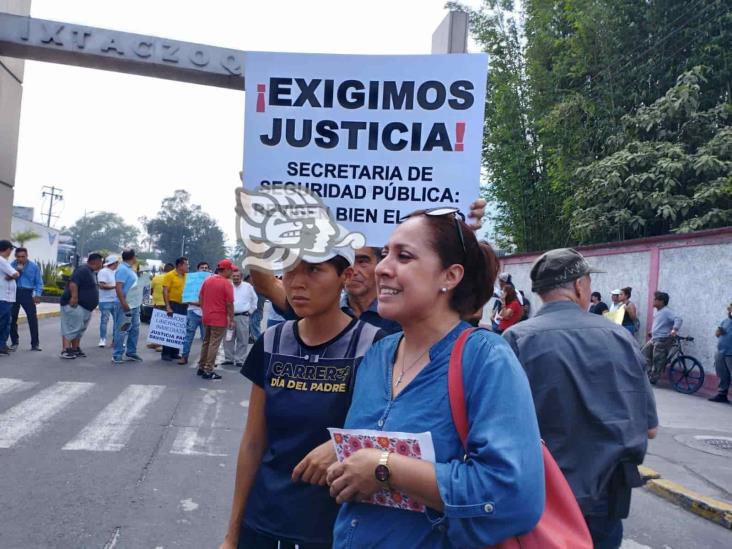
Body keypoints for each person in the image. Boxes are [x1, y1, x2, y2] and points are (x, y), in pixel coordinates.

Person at [327, 210, 543, 548]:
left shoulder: (485, 358)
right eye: (385, 254)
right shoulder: (378, 354)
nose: (383, 268)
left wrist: (384, 469)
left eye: (404, 256)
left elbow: (513, 496)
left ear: (450, 276)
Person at [218, 247, 385, 549]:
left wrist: (342, 445)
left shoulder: (374, 345)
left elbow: (389, 432)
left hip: (333, 528)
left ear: (344, 277)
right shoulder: (272, 341)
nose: (296, 282)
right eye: (290, 271)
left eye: (313, 270)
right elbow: (254, 441)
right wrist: (232, 534)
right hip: (264, 522)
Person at [502, 248, 658, 549]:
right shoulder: (620, 338)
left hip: (540, 498)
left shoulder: (516, 340)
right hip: (605, 501)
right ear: (579, 286)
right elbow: (649, 427)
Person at [59, 253, 103, 359]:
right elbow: (73, 283)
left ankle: (75, 348)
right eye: (101, 262)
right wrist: (74, 297)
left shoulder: (91, 272)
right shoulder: (82, 270)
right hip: (76, 305)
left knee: (79, 329)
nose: (102, 264)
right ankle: (65, 349)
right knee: (71, 327)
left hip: (85, 307)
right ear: (97, 262)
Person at [197, 259, 235, 380]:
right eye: (231, 270)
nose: (232, 272)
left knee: (206, 342)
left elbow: (200, 297)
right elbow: (229, 303)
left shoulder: (208, 280)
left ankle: (201, 367)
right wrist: (231, 319)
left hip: (207, 315)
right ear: (227, 270)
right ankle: (209, 369)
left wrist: (204, 310)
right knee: (214, 344)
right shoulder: (226, 283)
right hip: (219, 317)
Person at [642, 291, 682, 384]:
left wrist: (674, 329)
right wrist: (652, 332)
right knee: (644, 353)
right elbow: (660, 324)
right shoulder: (658, 312)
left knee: (658, 360)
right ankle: (648, 374)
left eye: (655, 299)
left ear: (661, 301)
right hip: (655, 338)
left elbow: (678, 319)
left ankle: (654, 378)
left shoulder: (667, 311)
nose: (653, 301)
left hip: (662, 339)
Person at [9, 246, 43, 351]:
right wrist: (17, 271)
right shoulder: (11, 265)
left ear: (27, 256)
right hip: (14, 293)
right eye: (18, 257)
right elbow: (8, 279)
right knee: (12, 319)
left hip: (28, 293)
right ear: (15, 256)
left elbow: (39, 282)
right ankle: (14, 342)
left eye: (23, 256)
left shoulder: (34, 267)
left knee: (32, 319)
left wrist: (37, 294)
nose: (21, 259)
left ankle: (35, 344)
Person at [112, 249, 143, 364]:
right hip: (125, 304)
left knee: (134, 328)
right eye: (136, 256)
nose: (136, 259)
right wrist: (124, 303)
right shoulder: (122, 269)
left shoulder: (129, 269)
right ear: (132, 257)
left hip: (134, 304)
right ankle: (117, 354)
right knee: (122, 329)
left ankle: (131, 352)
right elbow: (118, 287)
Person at [222, 268, 257, 368]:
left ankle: (240, 359)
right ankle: (229, 359)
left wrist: (250, 312)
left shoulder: (248, 286)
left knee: (243, 339)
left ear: (241, 277)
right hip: (229, 316)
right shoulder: (227, 286)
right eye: (234, 276)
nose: (236, 278)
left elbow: (255, 300)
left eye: (238, 276)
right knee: (228, 338)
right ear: (231, 276)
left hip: (243, 316)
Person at [179, 261, 210, 365]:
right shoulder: (190, 281)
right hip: (193, 312)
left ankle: (205, 360)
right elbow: (185, 298)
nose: (204, 269)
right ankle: (184, 356)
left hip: (206, 313)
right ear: (198, 270)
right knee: (188, 336)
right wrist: (199, 304)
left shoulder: (211, 282)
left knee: (206, 338)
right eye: (202, 268)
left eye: (206, 268)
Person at [161, 256, 189, 361]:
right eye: (186, 264)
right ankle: (166, 353)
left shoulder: (187, 276)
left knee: (179, 329)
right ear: (180, 265)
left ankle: (175, 352)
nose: (187, 266)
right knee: (169, 329)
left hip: (183, 305)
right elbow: (165, 291)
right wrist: (167, 306)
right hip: (173, 304)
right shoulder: (170, 275)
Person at [147, 262, 173, 351]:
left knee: (157, 324)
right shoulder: (171, 278)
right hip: (167, 304)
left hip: (157, 303)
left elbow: (151, 290)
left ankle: (155, 343)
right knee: (165, 325)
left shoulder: (156, 278)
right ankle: (161, 345)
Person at [709, 302, 732, 403]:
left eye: (730, 308)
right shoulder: (725, 321)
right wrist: (718, 333)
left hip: (730, 353)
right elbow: (718, 334)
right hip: (721, 352)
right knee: (722, 374)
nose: (728, 309)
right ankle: (722, 395)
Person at [0, 240, 20, 356]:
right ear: (7, 249)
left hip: (6, 296)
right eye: (11, 249)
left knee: (6, 321)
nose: (11, 252)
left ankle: (2, 344)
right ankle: (1, 345)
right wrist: (17, 271)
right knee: (4, 321)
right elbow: (15, 274)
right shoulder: (2, 260)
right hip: (4, 296)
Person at [97, 254, 119, 347]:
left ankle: (115, 340)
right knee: (104, 321)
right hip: (105, 300)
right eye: (117, 262)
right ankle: (102, 339)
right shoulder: (103, 271)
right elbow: (101, 285)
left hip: (115, 300)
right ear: (114, 263)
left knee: (117, 321)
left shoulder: (115, 272)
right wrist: (115, 287)